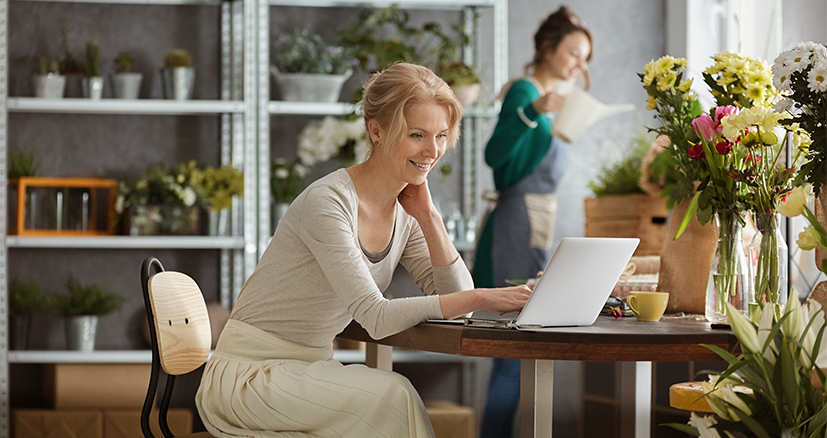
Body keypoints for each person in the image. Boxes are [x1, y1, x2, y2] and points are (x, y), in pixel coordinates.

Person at [195, 62, 532, 438]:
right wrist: (484, 294)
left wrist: (430, 217)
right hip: (250, 377)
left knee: (388, 398)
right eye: (417, 135)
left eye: (440, 135)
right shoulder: (328, 202)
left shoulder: (407, 209)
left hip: (308, 371)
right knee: (392, 395)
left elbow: (459, 303)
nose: (432, 151)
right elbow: (375, 316)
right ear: (377, 131)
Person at [472, 6, 593, 438]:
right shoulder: (525, 93)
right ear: (547, 48)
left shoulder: (552, 104)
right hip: (516, 228)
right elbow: (494, 156)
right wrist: (531, 111)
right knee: (515, 344)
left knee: (522, 344)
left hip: (536, 225)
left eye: (586, 58)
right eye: (574, 53)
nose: (580, 64)